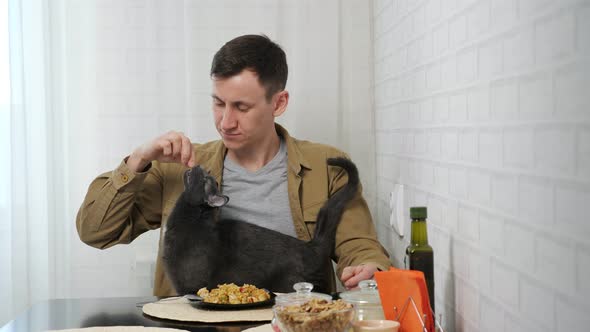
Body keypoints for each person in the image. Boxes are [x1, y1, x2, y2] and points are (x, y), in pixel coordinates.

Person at [76, 34, 391, 296]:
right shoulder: (183, 170)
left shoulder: (326, 166)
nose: (225, 122)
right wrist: (138, 160)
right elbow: (94, 231)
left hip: (289, 322)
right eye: (218, 103)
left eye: (241, 107)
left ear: (278, 103)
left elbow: (360, 246)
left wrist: (369, 267)